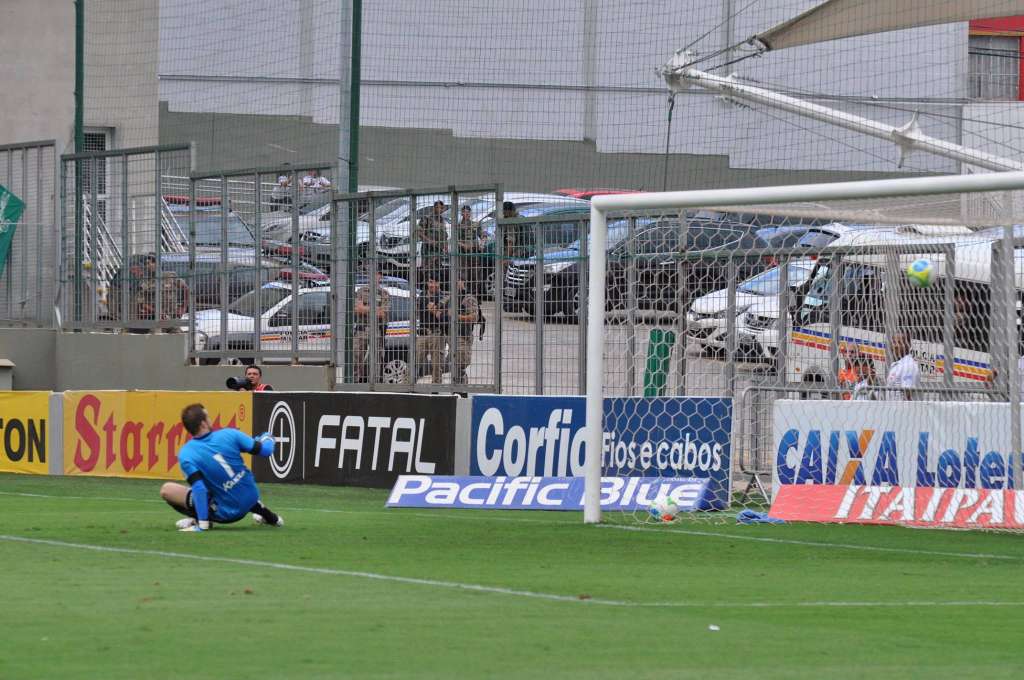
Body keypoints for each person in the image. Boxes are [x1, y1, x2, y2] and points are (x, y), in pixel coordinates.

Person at [159, 403, 284, 532]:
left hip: (227, 513)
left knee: (167, 489)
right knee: (227, 484)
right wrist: (268, 437)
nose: (210, 420)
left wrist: (202, 525)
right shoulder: (230, 434)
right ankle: (269, 517)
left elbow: (199, 488)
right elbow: (266, 451)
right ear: (203, 424)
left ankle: (200, 520)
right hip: (252, 497)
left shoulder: (186, 454)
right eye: (207, 417)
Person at [353, 270, 390, 382]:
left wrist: (365, 308)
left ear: (380, 276)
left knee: (376, 359)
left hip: (377, 330)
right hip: (361, 329)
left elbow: (382, 313)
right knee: (356, 357)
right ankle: (355, 382)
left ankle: (375, 383)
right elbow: (357, 309)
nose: (374, 276)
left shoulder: (384, 294)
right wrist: (375, 309)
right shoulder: (360, 291)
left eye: (376, 274)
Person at [447, 275, 479, 384]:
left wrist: (457, 316)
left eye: (458, 281)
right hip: (451, 336)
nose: (455, 283)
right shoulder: (451, 297)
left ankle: (461, 390)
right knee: (454, 365)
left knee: (460, 366)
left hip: (463, 336)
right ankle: (456, 388)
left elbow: (474, 317)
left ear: (463, 282)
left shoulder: (468, 298)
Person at [417, 274, 446, 383]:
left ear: (438, 284)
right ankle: (408, 385)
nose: (431, 285)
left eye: (434, 282)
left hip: (437, 334)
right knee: (415, 361)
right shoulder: (422, 296)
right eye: (430, 282)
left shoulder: (443, 298)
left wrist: (433, 310)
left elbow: (444, 317)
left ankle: (436, 388)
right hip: (423, 333)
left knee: (437, 364)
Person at [456, 204, 484, 293]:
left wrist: (482, 244)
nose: (466, 214)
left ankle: (474, 296)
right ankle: (463, 295)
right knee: (463, 275)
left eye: (468, 212)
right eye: (464, 212)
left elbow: (483, 235)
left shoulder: (475, 224)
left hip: (474, 253)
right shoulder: (458, 226)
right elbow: (454, 240)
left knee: (475, 275)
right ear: (461, 213)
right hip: (463, 254)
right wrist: (463, 245)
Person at [418, 200, 448, 278]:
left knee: (437, 270)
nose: (440, 210)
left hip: (438, 249)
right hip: (428, 249)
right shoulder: (427, 218)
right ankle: (425, 286)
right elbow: (419, 232)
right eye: (438, 207)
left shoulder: (442, 220)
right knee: (427, 270)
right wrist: (429, 241)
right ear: (434, 208)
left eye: (442, 208)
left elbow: (444, 234)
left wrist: (445, 245)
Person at [885, 332, 919, 400]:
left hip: (901, 409)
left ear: (908, 346)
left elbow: (907, 395)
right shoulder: (896, 365)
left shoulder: (908, 365)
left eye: (900, 343)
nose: (896, 346)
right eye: (894, 342)